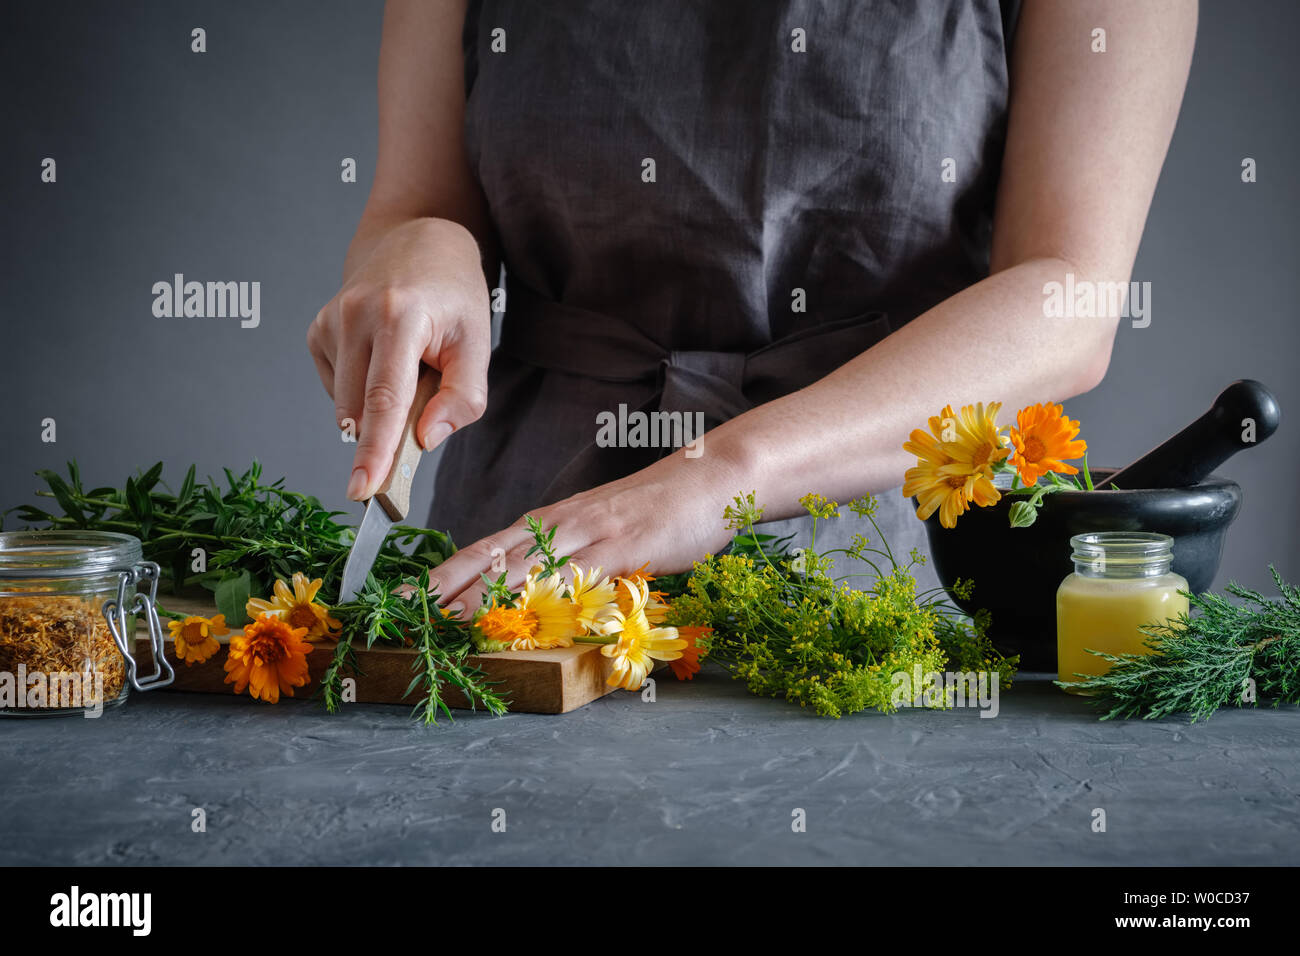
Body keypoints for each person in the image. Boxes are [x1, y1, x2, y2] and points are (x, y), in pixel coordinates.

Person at [308, 0, 1197, 615]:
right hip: (518, 544)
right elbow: (418, 199)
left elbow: (1069, 296)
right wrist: (420, 247)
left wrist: (714, 478)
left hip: (890, 563)